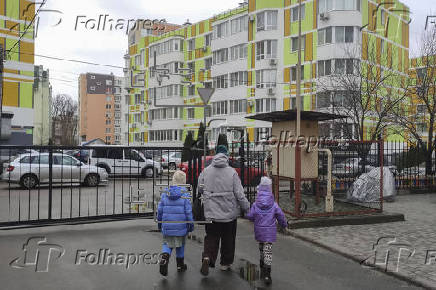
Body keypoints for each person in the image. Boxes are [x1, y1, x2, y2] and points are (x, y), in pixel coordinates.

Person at [197, 145, 250, 276]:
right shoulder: (232, 172)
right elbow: (239, 193)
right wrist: (247, 207)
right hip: (229, 214)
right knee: (228, 239)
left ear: (215, 154)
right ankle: (225, 264)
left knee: (211, 237)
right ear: (226, 155)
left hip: (211, 212)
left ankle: (207, 257)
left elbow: (200, 188)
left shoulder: (206, 171)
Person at [246, 176, 287, 285]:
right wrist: (284, 225)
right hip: (270, 233)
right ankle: (267, 274)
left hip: (259, 232)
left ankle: (262, 264)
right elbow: (281, 216)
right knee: (268, 251)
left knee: (261, 248)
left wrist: (251, 216)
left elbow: (250, 216)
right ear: (270, 189)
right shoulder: (274, 204)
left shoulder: (255, 204)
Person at [157, 170, 194, 276]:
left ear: (173, 181)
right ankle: (180, 265)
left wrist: (160, 223)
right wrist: (190, 225)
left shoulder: (165, 193)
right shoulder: (185, 195)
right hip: (181, 227)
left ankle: (164, 257)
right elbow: (188, 212)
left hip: (167, 226)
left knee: (167, 244)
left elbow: (159, 210)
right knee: (180, 244)